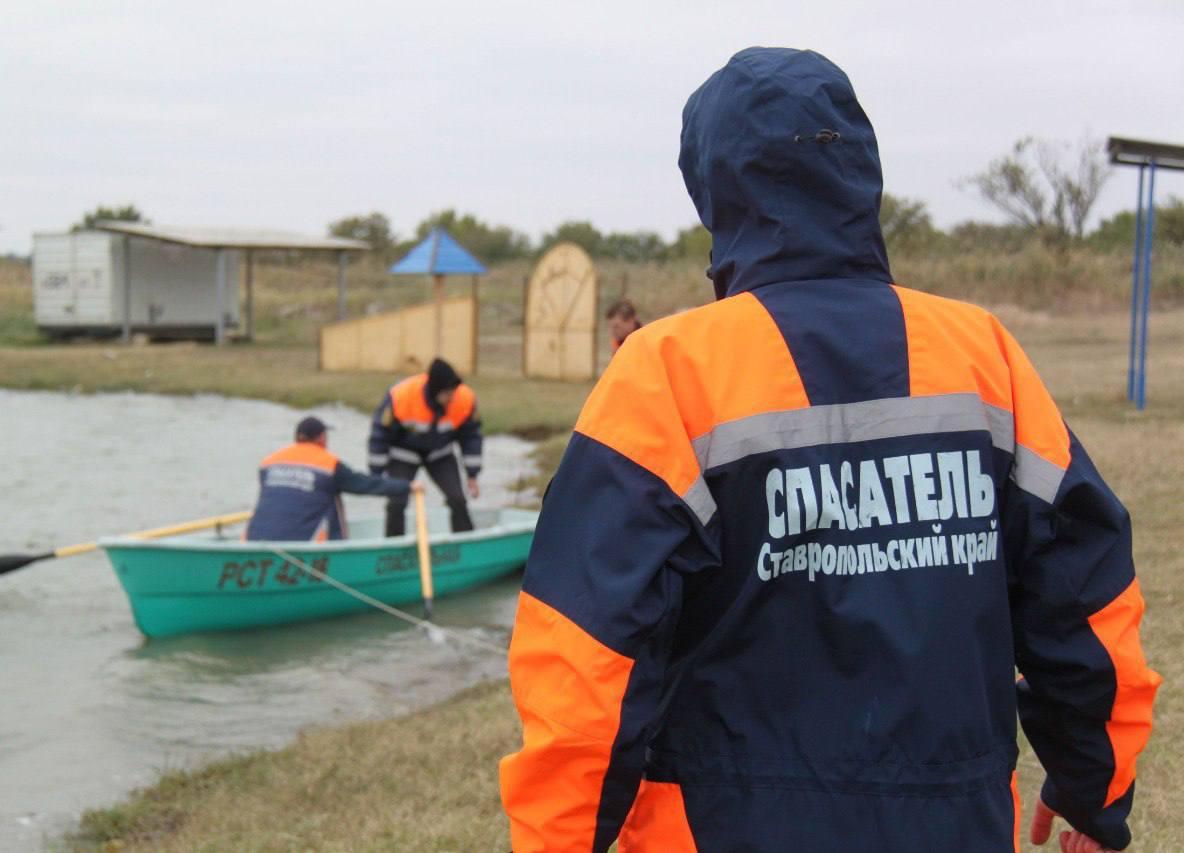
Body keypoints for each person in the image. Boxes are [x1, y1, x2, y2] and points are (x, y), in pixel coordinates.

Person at [499, 48, 1159, 852]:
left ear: (713, 187)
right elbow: (1084, 597)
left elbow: (584, 655)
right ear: (859, 169)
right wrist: (1095, 785)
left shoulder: (667, 374)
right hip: (957, 823)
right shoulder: (985, 357)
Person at [245, 416, 415, 541]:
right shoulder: (329, 466)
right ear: (321, 438)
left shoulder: (268, 464)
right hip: (308, 546)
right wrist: (407, 486)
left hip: (256, 539)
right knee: (332, 499)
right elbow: (367, 484)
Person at [368, 358, 483, 537]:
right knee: (397, 501)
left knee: (457, 498)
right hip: (403, 453)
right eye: (447, 393)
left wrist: (472, 474)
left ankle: (465, 540)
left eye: (454, 392)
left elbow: (471, 438)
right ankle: (393, 544)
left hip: (440, 453)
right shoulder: (401, 396)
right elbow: (379, 435)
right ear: (435, 390)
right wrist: (376, 474)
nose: (452, 397)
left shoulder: (465, 399)